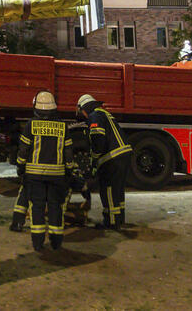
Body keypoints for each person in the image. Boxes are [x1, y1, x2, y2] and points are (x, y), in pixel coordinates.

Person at [16, 91, 76, 251]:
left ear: (37, 108)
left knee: (37, 207)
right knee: (55, 207)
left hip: (34, 176)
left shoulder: (31, 125)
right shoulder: (63, 126)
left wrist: (20, 167)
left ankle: (38, 243)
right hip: (57, 176)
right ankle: (56, 242)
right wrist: (69, 170)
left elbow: (23, 150)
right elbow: (69, 153)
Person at [76, 93, 131, 230]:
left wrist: (94, 159)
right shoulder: (104, 113)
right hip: (122, 155)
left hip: (112, 158)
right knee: (118, 190)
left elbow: (98, 139)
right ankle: (119, 219)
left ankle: (111, 223)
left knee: (108, 190)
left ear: (84, 109)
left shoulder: (94, 116)